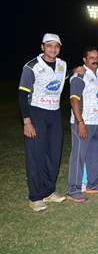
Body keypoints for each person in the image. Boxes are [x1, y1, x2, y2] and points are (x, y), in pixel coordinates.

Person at [18, 33, 68, 211]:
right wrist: (27, 121)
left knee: (53, 154)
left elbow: (66, 78)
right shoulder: (31, 67)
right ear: (42, 47)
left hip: (54, 114)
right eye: (49, 45)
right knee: (36, 155)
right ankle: (35, 196)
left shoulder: (62, 65)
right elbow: (23, 95)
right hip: (36, 112)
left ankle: (48, 191)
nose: (53, 49)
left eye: (56, 46)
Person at [67, 47, 98, 203]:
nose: (95, 59)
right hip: (83, 123)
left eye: (97, 57)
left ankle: (93, 184)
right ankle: (73, 189)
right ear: (84, 60)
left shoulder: (97, 75)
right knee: (78, 156)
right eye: (91, 57)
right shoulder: (79, 75)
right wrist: (80, 122)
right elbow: (74, 100)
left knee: (94, 156)